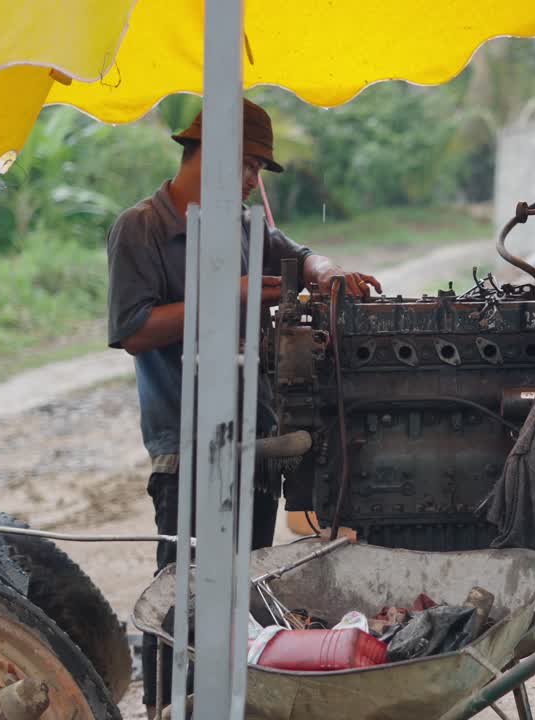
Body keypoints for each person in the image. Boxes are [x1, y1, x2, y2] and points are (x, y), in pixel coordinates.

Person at [105, 98, 379, 717]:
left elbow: (302, 254)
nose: (254, 180)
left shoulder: (247, 225)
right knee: (183, 597)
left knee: (245, 593)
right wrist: (226, 292)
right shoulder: (142, 228)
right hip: (188, 445)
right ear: (208, 152)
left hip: (258, 445)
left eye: (258, 170)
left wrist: (328, 271)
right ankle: (165, 709)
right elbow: (133, 328)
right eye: (250, 165)